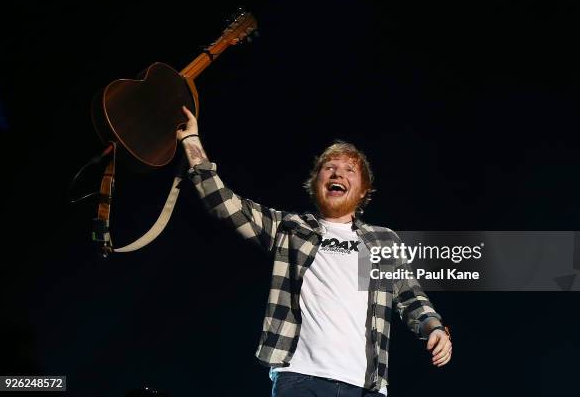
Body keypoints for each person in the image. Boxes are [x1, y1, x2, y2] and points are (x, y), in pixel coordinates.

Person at [177, 106, 452, 396]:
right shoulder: (291, 229)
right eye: (329, 167)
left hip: (365, 385)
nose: (338, 173)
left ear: (362, 191)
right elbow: (225, 205)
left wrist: (435, 328)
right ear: (317, 182)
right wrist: (191, 139)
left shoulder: (382, 240)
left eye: (349, 170)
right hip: (300, 376)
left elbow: (409, 295)